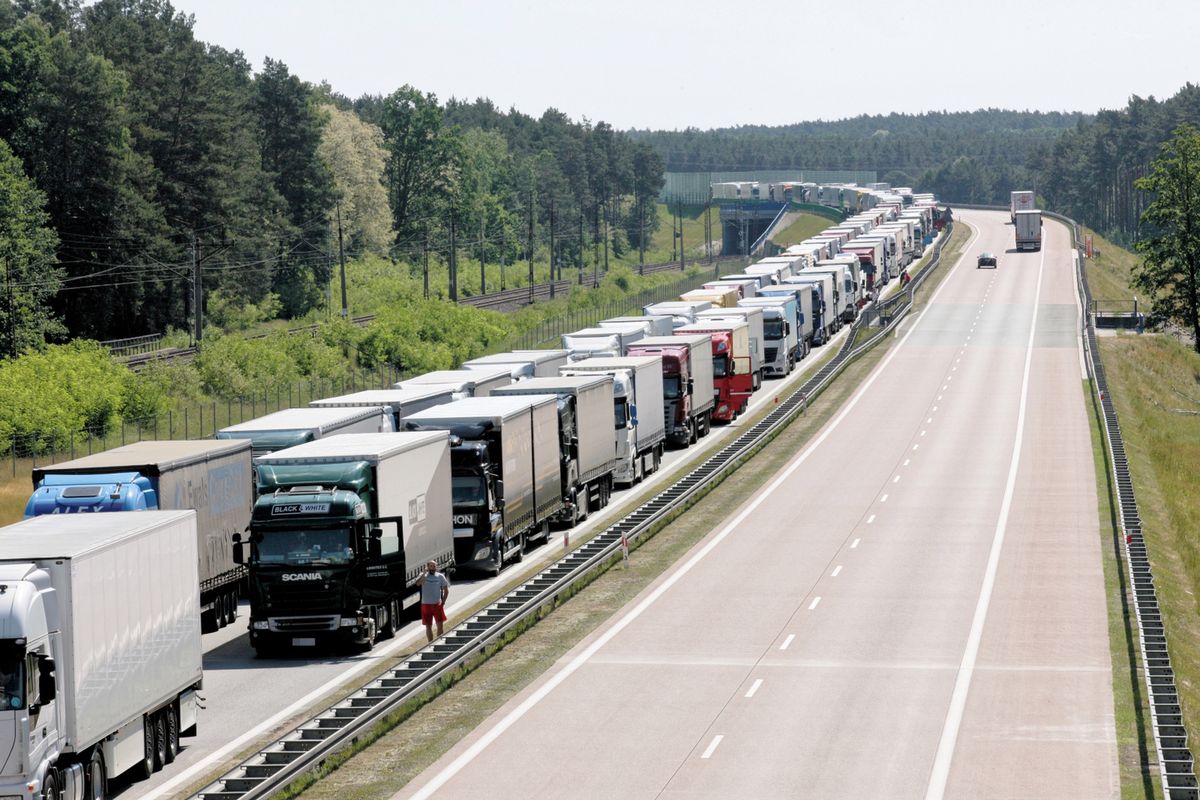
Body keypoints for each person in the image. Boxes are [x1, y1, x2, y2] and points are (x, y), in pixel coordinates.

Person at [417, 560, 450, 641]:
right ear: (427, 567)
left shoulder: (440, 576)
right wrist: (424, 573)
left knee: (440, 625)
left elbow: (446, 590)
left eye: (434, 566)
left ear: (436, 567)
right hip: (426, 605)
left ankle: (439, 642)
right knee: (428, 626)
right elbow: (418, 583)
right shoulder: (423, 575)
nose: (432, 568)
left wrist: (443, 601)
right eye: (431, 566)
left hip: (437, 604)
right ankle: (430, 644)